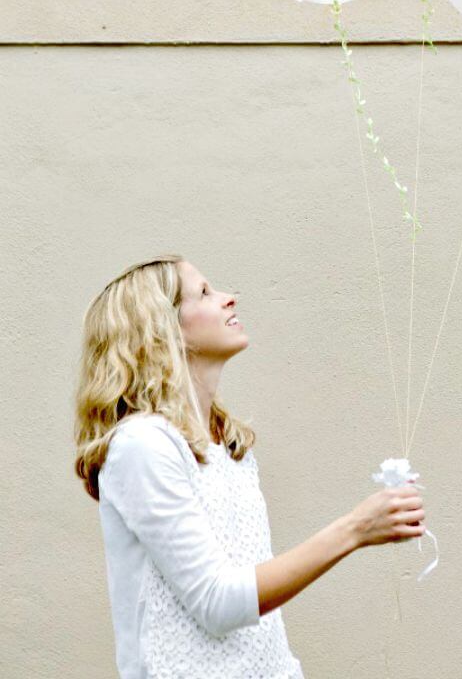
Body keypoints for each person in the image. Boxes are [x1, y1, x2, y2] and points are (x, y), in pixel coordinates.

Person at [74, 254, 425, 679]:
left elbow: (255, 624)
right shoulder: (142, 445)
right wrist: (355, 529)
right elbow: (218, 603)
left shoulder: (228, 443)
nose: (228, 298)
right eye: (204, 293)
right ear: (160, 330)